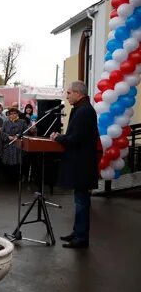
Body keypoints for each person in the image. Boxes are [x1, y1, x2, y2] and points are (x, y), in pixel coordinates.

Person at [50, 81, 99, 249]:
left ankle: (81, 237)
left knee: (82, 202)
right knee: (80, 200)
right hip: (80, 164)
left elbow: (76, 139)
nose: (67, 96)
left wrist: (58, 138)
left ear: (78, 93)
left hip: (82, 165)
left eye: (69, 93)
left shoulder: (85, 111)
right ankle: (77, 232)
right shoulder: (81, 109)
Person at [1, 107, 28, 182]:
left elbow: (26, 132)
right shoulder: (5, 122)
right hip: (8, 145)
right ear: (8, 115)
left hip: (18, 145)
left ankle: (17, 178)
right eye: (11, 114)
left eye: (14, 113)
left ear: (17, 114)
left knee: (18, 162)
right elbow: (2, 133)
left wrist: (19, 136)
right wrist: (8, 136)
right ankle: (8, 179)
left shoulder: (22, 122)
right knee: (8, 163)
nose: (13, 115)